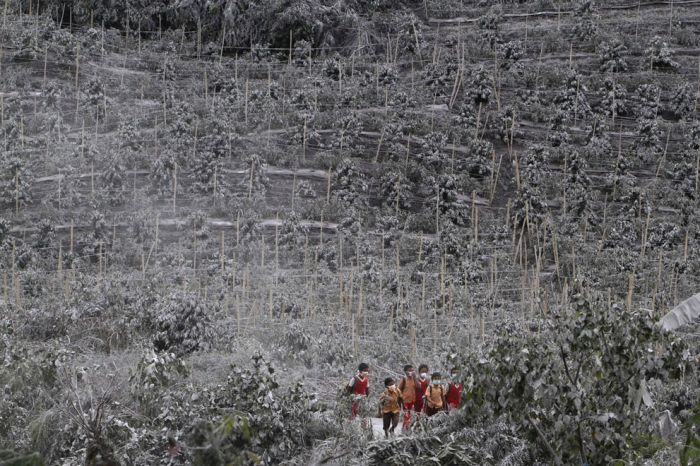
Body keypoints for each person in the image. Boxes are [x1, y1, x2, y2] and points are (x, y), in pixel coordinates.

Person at [398, 364, 419, 429]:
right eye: (409, 370)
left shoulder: (414, 379)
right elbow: (398, 389)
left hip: (412, 400)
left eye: (412, 370)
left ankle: (406, 428)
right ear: (405, 371)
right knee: (406, 415)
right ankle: (405, 428)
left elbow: (418, 387)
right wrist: (401, 397)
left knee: (409, 415)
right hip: (405, 401)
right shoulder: (404, 379)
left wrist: (415, 378)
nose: (411, 372)